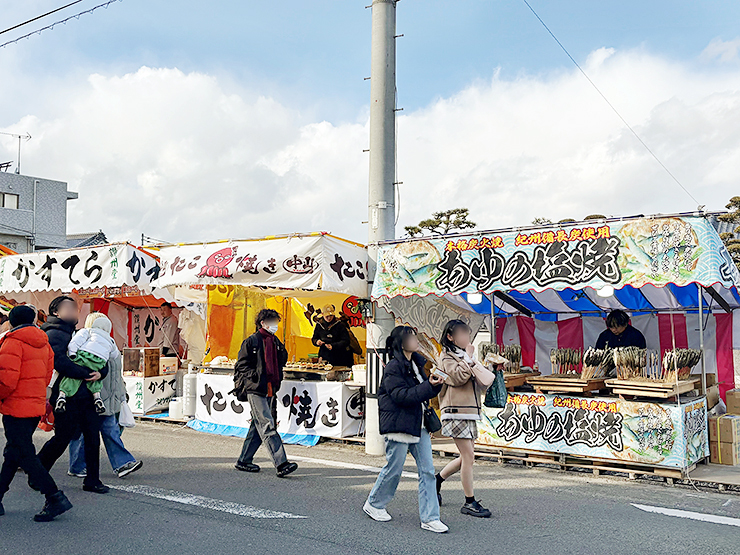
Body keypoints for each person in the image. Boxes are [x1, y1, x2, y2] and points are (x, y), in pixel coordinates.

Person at [363, 326, 448, 534]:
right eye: (411, 337)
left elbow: (421, 392)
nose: (415, 340)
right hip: (400, 425)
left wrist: (434, 384)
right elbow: (402, 396)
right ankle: (374, 503)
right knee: (394, 468)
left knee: (428, 471)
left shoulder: (417, 364)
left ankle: (430, 517)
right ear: (402, 344)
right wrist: (429, 386)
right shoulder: (394, 367)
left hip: (419, 426)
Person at [0, 305, 73, 522]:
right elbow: (48, 374)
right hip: (34, 405)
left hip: (15, 406)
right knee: (14, 452)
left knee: (24, 454)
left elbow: (6, 380)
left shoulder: (11, 342)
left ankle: (54, 496)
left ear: (11, 322)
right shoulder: (44, 343)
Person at [37, 296, 109, 494]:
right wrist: (85, 374)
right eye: (67, 308)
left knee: (93, 436)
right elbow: (58, 362)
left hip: (87, 395)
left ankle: (93, 480)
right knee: (63, 437)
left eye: (75, 308)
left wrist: (101, 373)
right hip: (65, 397)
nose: (73, 312)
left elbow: (100, 357)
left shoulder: (80, 332)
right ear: (55, 312)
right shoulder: (52, 334)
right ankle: (38, 471)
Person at [67, 314, 143, 479]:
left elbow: (116, 373)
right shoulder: (86, 342)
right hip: (94, 396)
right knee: (98, 432)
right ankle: (119, 464)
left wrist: (122, 393)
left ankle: (79, 465)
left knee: (104, 431)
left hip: (109, 396)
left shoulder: (110, 343)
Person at [435, 320, 492, 518]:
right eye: (461, 334)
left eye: (467, 333)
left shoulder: (464, 355)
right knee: (468, 457)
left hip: (469, 411)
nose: (465, 337)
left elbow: (478, 383)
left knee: (466, 456)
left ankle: (437, 480)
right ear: (450, 337)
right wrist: (469, 358)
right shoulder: (445, 357)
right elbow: (457, 378)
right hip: (455, 411)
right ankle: (469, 501)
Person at [233, 309, 298, 478]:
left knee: (258, 425)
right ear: (262, 322)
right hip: (256, 388)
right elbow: (241, 365)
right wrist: (254, 377)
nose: (275, 325)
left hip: (271, 388)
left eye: (276, 321)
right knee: (267, 425)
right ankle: (281, 463)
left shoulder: (274, 341)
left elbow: (282, 359)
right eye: (272, 321)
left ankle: (244, 460)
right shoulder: (252, 341)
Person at [56, 313, 117, 415]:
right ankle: (97, 397)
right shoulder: (110, 340)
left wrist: (73, 355)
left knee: (70, 381)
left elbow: (73, 344)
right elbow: (113, 356)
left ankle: (62, 395)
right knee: (95, 380)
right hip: (99, 363)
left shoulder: (86, 332)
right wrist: (101, 372)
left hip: (83, 360)